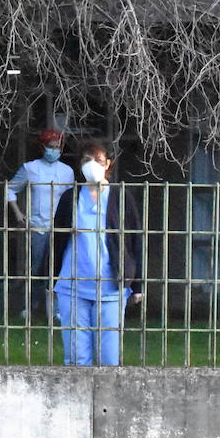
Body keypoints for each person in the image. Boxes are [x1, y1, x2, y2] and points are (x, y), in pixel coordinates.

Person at [47, 139, 144, 366]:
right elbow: (57, 240)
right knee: (77, 357)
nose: (92, 165)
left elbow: (134, 241)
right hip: (73, 285)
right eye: (86, 160)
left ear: (108, 164)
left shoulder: (121, 198)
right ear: (80, 165)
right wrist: (50, 279)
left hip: (111, 287)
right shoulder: (70, 198)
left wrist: (137, 284)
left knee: (109, 358)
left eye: (98, 160)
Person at [6, 129, 74, 317]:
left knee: (58, 268)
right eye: (51, 147)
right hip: (37, 225)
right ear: (43, 147)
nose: (54, 150)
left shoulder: (67, 171)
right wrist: (19, 214)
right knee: (35, 268)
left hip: (59, 225)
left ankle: (56, 310)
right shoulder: (30, 168)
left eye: (57, 147)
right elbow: (10, 189)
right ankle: (29, 305)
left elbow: (70, 197)